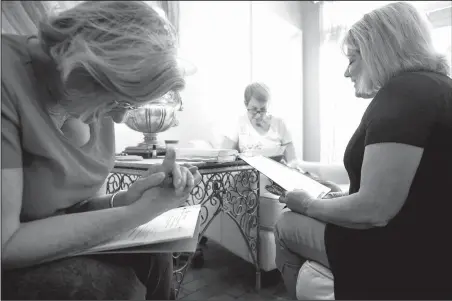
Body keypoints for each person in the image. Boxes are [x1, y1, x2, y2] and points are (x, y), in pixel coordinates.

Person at [1, 1, 201, 300]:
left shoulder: (88, 97)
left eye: (128, 105)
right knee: (115, 289)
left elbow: (69, 211)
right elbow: (6, 245)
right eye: (118, 102)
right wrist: (134, 214)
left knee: (155, 254)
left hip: (45, 243)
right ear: (84, 69)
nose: (119, 118)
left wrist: (124, 200)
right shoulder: (7, 79)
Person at [275, 2, 452, 299]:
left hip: (398, 253)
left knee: (285, 224)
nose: (347, 72)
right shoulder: (439, 88)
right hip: (433, 244)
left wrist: (306, 204)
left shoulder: (402, 94)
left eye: (353, 59)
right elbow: (416, 187)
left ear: (379, 51)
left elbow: (374, 209)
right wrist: (339, 194)